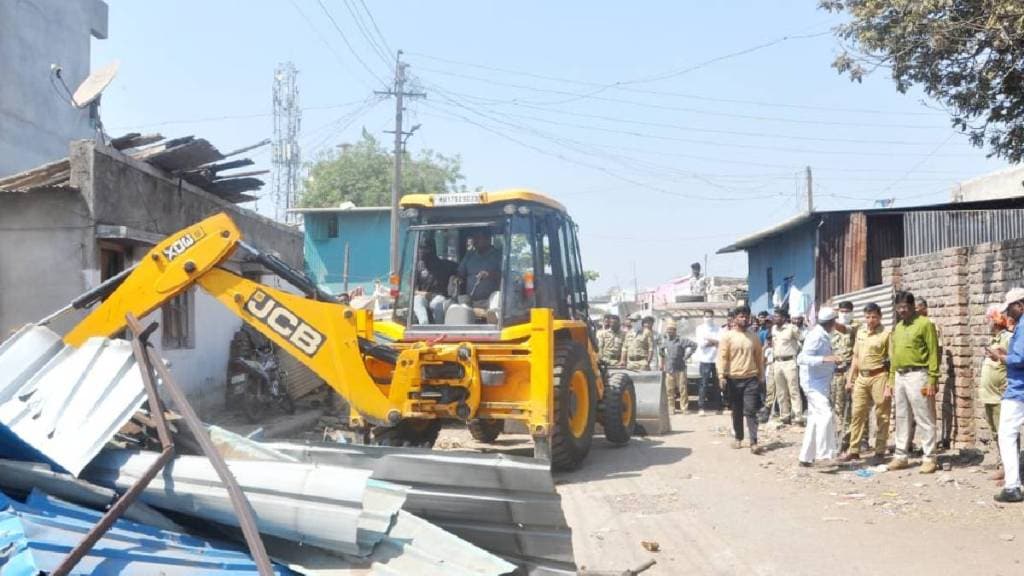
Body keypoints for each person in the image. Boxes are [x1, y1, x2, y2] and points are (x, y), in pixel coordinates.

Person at [888, 291, 940, 474]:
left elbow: (934, 353)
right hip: (900, 376)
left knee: (924, 416)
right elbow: (894, 355)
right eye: (899, 307)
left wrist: (933, 379)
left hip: (919, 375)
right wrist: (891, 379)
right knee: (902, 416)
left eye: (905, 307)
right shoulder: (899, 327)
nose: (902, 310)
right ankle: (901, 455)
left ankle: (930, 457)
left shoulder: (925, 324)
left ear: (912, 307)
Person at [840, 303, 892, 464]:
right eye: (868, 317)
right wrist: (850, 379)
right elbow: (855, 357)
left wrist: (890, 385)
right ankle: (854, 450)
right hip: (861, 378)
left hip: (879, 376)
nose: (871, 320)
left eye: (874, 317)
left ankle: (880, 451)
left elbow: (893, 360)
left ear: (880, 317)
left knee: (881, 415)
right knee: (857, 414)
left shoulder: (886, 333)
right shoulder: (861, 332)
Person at [989, 288, 1024, 503]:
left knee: (1007, 435)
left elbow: (1020, 359)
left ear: (1020, 305)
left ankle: (1012, 487)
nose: (1008, 313)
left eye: (1010, 308)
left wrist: (1001, 358)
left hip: (1019, 390)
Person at [717, 305, 765, 454]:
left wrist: (761, 376)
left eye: (746, 316)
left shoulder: (754, 337)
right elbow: (722, 357)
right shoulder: (728, 336)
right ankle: (738, 437)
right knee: (736, 410)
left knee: (750, 411)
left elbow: (759, 357)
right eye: (741, 316)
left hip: (750, 378)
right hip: (733, 379)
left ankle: (754, 442)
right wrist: (721, 375)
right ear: (735, 318)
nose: (744, 319)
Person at [797, 307, 841, 466]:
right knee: (826, 415)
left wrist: (833, 364)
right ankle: (823, 455)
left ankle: (806, 457)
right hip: (812, 384)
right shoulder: (816, 335)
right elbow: (802, 358)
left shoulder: (823, 333)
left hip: (820, 382)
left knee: (815, 420)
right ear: (831, 322)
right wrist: (825, 359)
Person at [980, 304, 1012, 481]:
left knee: (1005, 432)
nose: (987, 323)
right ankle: (1002, 464)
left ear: (996, 320)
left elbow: (1013, 360)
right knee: (995, 432)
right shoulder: (994, 339)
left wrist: (1000, 356)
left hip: (1000, 394)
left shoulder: (1007, 338)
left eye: (989, 319)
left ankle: (1009, 469)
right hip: (989, 395)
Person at [830, 300, 857, 450]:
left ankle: (857, 438)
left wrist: (828, 317)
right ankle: (841, 436)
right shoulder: (832, 329)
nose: (844, 314)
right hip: (835, 372)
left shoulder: (856, 324)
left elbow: (846, 329)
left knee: (853, 406)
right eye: (842, 311)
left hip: (850, 371)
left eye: (847, 311)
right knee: (838, 406)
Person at [772, 308, 804, 425]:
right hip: (777, 362)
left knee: (793, 390)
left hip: (790, 362)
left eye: (777, 316)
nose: (774, 318)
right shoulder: (774, 329)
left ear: (784, 318)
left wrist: (800, 355)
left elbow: (803, 340)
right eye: (774, 316)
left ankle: (798, 416)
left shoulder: (792, 328)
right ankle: (784, 416)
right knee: (780, 391)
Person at [412, 240, 457, 324]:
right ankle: (424, 325)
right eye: (420, 249)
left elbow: (461, 271)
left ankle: (439, 329)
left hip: (440, 297)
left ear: (432, 250)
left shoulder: (445, 265)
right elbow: (411, 291)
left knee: (436, 304)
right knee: (416, 300)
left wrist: (457, 279)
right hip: (424, 296)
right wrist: (426, 294)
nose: (421, 251)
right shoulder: (417, 267)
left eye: (425, 249)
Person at [660, 319, 697, 414]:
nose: (670, 331)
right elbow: (661, 351)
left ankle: (684, 408)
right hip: (669, 368)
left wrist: (687, 356)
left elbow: (694, 345)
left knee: (682, 389)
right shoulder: (665, 341)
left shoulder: (681, 340)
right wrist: (663, 360)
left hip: (681, 368)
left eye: (672, 329)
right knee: (669, 390)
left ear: (675, 330)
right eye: (668, 329)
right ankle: (671, 408)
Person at [456, 228, 502, 303]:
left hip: (491, 303)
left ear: (488, 239)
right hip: (470, 301)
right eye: (473, 238)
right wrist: (456, 279)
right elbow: (460, 272)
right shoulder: (469, 255)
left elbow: (505, 277)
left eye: (478, 238)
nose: (475, 241)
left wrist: (489, 274)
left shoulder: (498, 256)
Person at [694, 309, 723, 416]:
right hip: (704, 359)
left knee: (718, 384)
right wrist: (714, 341)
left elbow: (721, 343)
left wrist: (708, 339)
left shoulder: (718, 328)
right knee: (703, 384)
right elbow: (701, 344)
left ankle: (719, 407)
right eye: (706, 316)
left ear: (713, 317)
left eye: (710, 316)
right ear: (703, 317)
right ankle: (701, 408)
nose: (708, 318)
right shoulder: (699, 328)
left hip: (717, 360)